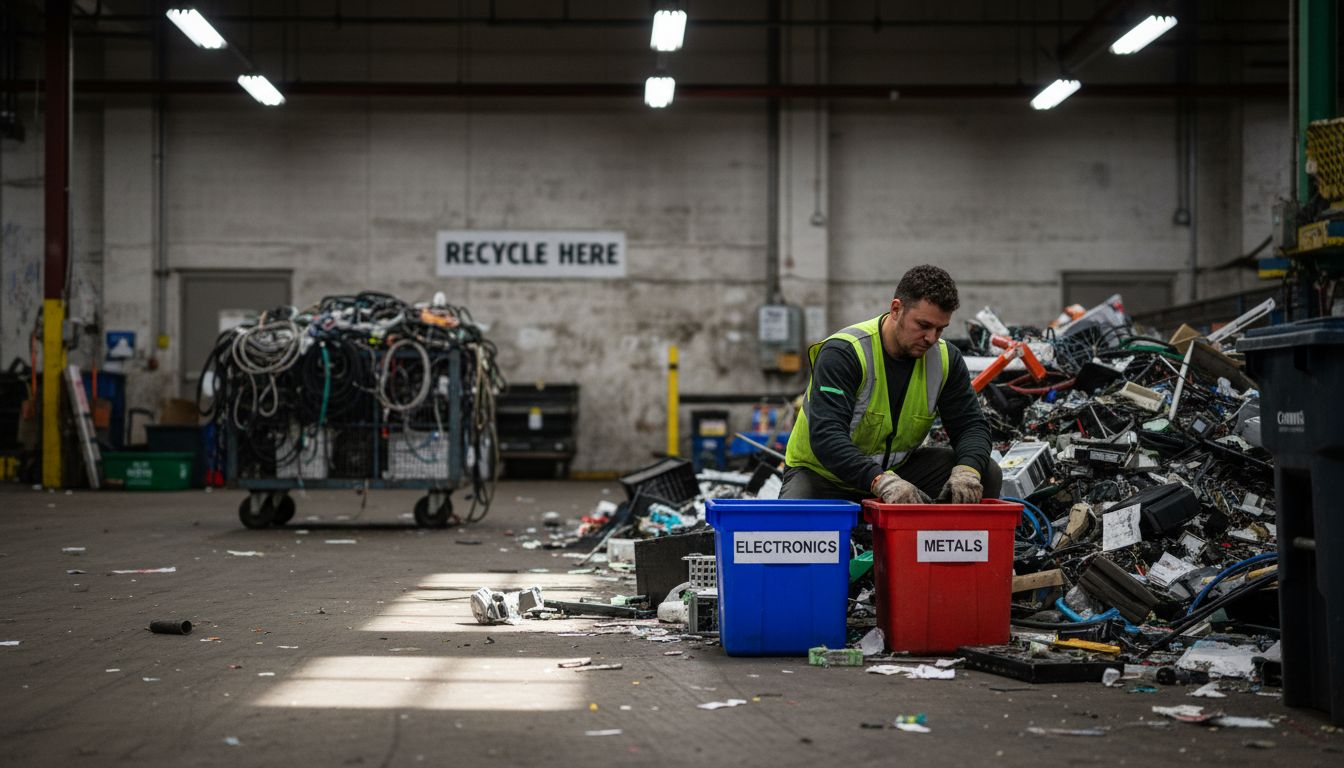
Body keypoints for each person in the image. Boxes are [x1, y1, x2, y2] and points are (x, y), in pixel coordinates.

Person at [782, 265, 1002, 504]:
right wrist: (880, 481)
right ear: (896, 309)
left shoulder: (945, 359)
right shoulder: (845, 353)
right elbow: (827, 437)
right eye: (923, 325)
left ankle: (938, 540)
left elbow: (970, 425)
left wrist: (967, 471)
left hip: (898, 476)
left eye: (940, 329)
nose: (932, 338)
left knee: (985, 474)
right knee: (791, 530)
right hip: (823, 476)